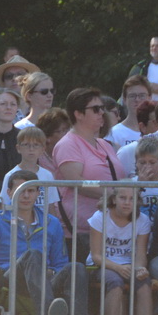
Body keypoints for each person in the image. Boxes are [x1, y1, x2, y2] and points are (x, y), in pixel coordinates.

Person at [0, 168, 95, 315]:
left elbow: (60, 262)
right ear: (8, 193)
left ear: (38, 194)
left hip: (45, 281)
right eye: (20, 190)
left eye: (30, 190)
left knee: (77, 268)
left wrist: (50, 272)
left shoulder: (52, 223)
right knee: (33, 255)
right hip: (12, 281)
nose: (25, 195)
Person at [87, 185, 156, 315]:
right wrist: (117, 267)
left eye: (132, 199)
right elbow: (96, 255)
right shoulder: (99, 217)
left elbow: (141, 253)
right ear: (113, 199)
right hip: (102, 265)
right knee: (115, 282)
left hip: (129, 265)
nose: (127, 202)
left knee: (144, 284)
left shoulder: (143, 220)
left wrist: (140, 268)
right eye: (123, 198)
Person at [51, 87, 124, 239]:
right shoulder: (68, 144)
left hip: (110, 227)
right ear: (78, 114)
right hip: (81, 232)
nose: (102, 113)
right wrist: (113, 194)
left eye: (102, 108)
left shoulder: (104, 144)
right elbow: (77, 182)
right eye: (96, 109)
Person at [1, 125, 61, 219]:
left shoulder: (47, 175)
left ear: (42, 149)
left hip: (42, 226)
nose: (31, 149)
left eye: (36, 145)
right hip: (16, 224)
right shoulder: (10, 175)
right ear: (18, 148)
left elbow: (51, 206)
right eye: (26, 144)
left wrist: (53, 228)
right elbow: (4, 205)